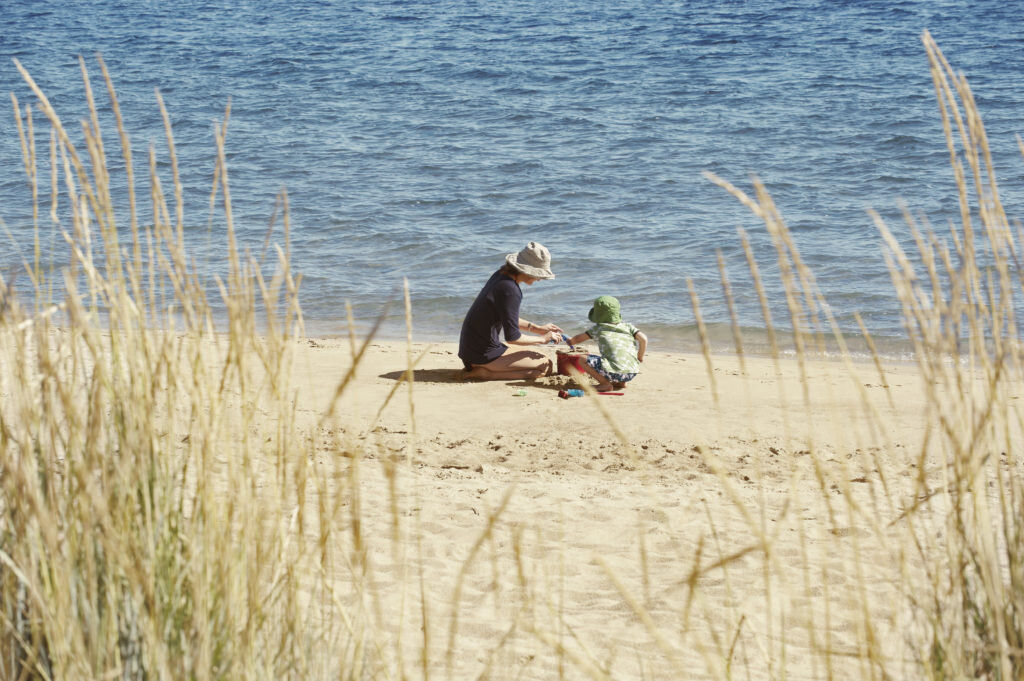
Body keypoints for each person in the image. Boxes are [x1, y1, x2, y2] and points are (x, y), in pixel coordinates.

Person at [459, 242, 563, 380]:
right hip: (482, 356)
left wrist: (538, 329)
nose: (539, 279)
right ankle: (485, 374)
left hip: (470, 352)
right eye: (539, 275)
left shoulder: (500, 276)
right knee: (546, 366)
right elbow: (513, 338)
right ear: (527, 270)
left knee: (538, 354)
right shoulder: (511, 291)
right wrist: (543, 339)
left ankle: (482, 368)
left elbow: (506, 318)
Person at [565, 295, 647, 392]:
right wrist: (640, 356)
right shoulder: (628, 327)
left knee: (582, 359)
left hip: (614, 372)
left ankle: (605, 384)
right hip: (632, 372)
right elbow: (644, 339)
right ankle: (622, 383)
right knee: (617, 361)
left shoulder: (598, 328)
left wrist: (570, 341)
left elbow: (578, 339)